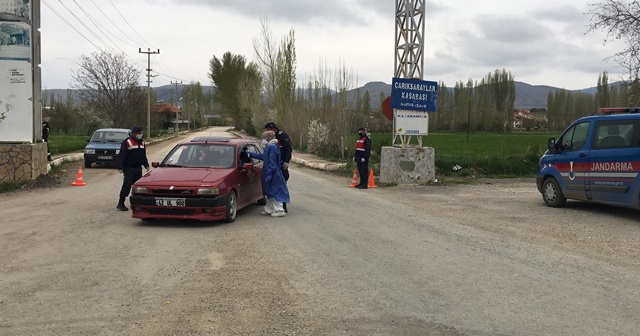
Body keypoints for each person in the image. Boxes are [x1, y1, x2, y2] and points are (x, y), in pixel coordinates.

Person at [245, 130, 290, 217]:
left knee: (274, 191)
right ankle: (269, 208)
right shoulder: (271, 146)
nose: (263, 139)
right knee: (269, 191)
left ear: (268, 138)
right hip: (272, 171)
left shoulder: (271, 147)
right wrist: (250, 154)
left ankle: (279, 209)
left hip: (273, 172)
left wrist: (269, 174)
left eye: (264, 137)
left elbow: (272, 162)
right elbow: (263, 157)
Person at [116, 126, 149, 211]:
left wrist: (146, 165)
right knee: (127, 185)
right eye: (139, 133)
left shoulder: (142, 143)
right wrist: (120, 167)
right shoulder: (127, 142)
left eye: (141, 133)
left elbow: (143, 156)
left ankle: (137, 203)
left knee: (138, 187)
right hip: (129, 168)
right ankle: (121, 203)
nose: (140, 135)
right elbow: (121, 156)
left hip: (138, 168)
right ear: (134, 133)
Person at [264, 121, 292, 212]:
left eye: (268, 130)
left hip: (282, 164)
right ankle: (273, 206)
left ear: (273, 129)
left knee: (282, 185)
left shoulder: (282, 136)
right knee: (274, 186)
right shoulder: (271, 138)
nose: (267, 132)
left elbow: (288, 149)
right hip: (276, 164)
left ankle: (283, 206)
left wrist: (286, 161)